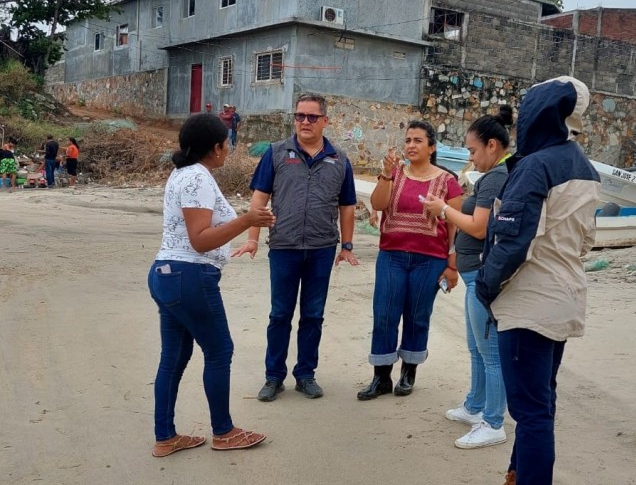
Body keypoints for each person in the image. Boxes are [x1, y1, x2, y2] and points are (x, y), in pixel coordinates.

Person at [471, 77, 600, 485]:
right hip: (564, 293)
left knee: (531, 412)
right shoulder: (583, 165)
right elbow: (586, 239)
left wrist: (485, 289)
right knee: (540, 400)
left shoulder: (536, 166)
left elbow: (511, 243)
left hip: (529, 302)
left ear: (541, 111)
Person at [148, 113, 275, 457]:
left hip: (168, 273)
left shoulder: (184, 174)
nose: (229, 149)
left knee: (173, 357)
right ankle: (224, 431)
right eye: (227, 143)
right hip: (190, 276)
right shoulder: (196, 179)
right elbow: (200, 240)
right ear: (216, 147)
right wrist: (247, 220)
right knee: (219, 351)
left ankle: (166, 436)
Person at [234, 93, 359, 402]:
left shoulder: (339, 159)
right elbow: (259, 200)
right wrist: (252, 238)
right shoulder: (277, 153)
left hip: (321, 249)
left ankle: (305, 375)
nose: (304, 122)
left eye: (312, 117)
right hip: (284, 246)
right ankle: (273, 377)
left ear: (325, 121)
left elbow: (347, 206)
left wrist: (347, 245)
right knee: (279, 314)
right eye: (300, 116)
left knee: (313, 315)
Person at [422, 105, 513, 449]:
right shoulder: (491, 177)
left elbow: (478, 226)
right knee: (477, 348)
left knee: (490, 353)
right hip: (474, 273)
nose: (471, 159)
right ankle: (476, 406)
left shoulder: (496, 178)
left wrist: (444, 210)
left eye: (473, 151)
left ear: (492, 146)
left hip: (483, 277)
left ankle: (493, 422)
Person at [356, 121, 463, 400]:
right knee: (384, 314)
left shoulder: (447, 181)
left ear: (432, 147)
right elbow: (378, 205)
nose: (411, 146)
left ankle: (408, 372)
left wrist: (452, 266)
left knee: (417, 315)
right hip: (392, 255)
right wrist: (386, 174)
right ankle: (381, 377)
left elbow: (455, 227)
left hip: (430, 260)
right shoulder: (395, 174)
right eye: (408, 140)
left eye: (418, 140)